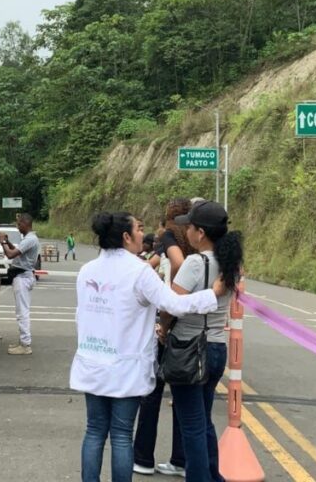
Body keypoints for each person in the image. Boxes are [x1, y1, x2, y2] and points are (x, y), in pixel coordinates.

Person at [71, 212, 226, 482]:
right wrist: (213, 293)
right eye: (139, 229)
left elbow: (81, 316)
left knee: (94, 431)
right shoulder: (139, 271)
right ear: (126, 237)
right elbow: (174, 304)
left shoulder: (87, 271)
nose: (145, 235)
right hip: (125, 366)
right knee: (121, 435)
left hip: (92, 361)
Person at [151, 199, 240, 482]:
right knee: (203, 419)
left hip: (188, 349)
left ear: (200, 233)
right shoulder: (229, 263)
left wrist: (163, 328)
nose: (186, 231)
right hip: (215, 347)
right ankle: (214, 476)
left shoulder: (194, 262)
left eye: (189, 226)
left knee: (190, 424)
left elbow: (170, 305)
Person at [134, 198, 195, 475]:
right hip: (194, 324)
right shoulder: (199, 240)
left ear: (169, 216)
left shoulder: (169, 235)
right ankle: (181, 460)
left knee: (152, 391)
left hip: (169, 317)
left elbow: (167, 265)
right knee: (183, 395)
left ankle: (143, 458)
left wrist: (173, 291)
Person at [0, 213, 40, 355]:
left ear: (25, 223)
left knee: (22, 312)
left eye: (18, 224)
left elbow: (10, 255)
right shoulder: (29, 239)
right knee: (22, 311)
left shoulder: (30, 239)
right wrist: (8, 242)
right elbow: (17, 252)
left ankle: (25, 345)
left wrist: (3, 243)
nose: (18, 227)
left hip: (22, 277)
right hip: (24, 276)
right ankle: (23, 341)